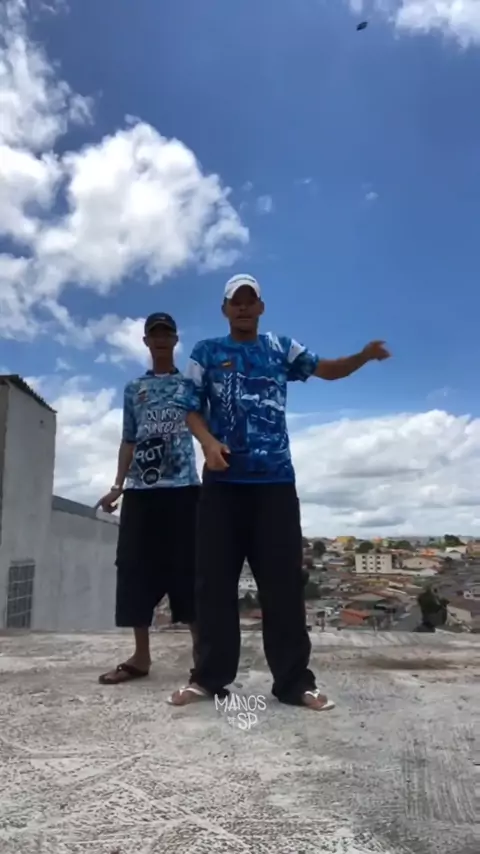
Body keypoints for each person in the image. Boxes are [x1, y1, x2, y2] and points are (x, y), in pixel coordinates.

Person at [169, 274, 390, 710]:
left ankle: (293, 682)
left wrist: (363, 357)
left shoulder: (279, 347)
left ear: (261, 308)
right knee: (214, 586)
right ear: (225, 309)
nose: (243, 308)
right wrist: (208, 443)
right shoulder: (205, 352)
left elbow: (326, 369)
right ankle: (208, 678)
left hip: (274, 486)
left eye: (250, 301)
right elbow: (189, 408)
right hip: (222, 487)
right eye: (235, 301)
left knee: (283, 587)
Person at [96, 312, 200, 684]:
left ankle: (203, 660)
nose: (160, 339)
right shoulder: (133, 389)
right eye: (154, 334)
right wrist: (117, 484)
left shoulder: (190, 385)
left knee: (190, 570)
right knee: (134, 568)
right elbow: (129, 439)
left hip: (184, 490)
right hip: (141, 492)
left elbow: (206, 429)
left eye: (166, 333)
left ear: (175, 340)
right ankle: (141, 657)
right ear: (145, 341)